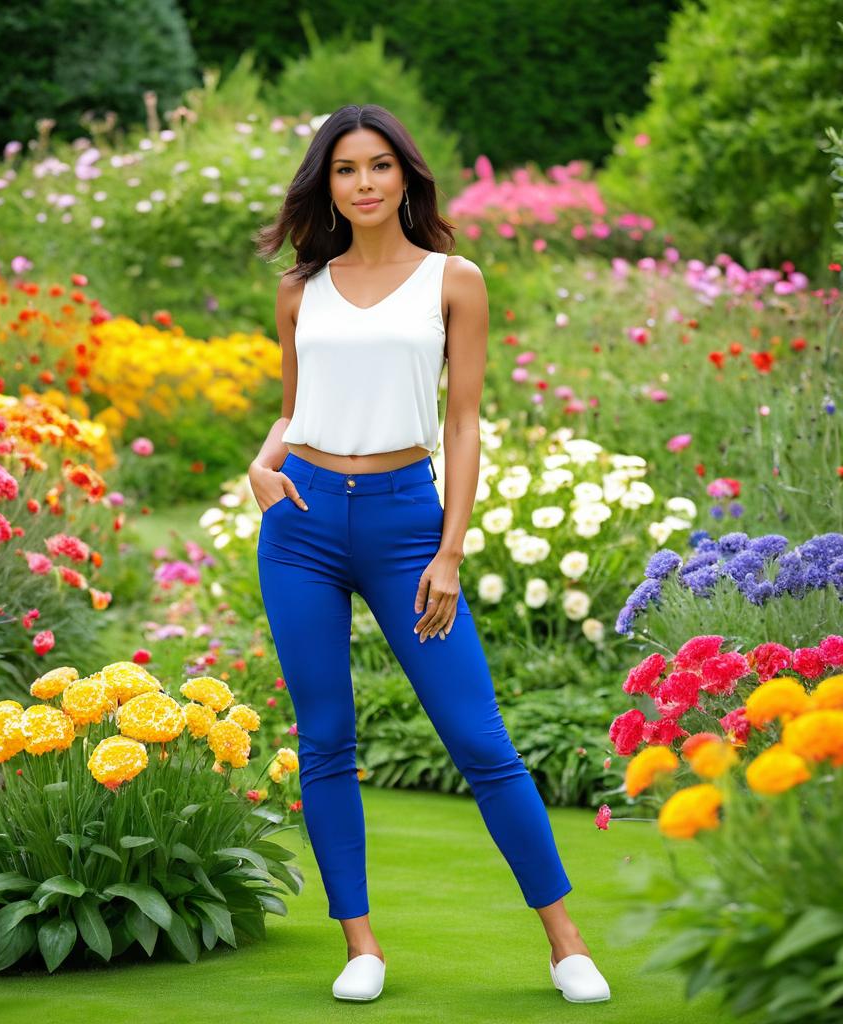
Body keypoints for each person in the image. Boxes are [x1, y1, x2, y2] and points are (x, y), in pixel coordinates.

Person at [249, 103, 610, 1005]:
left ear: (407, 176)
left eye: (378, 166)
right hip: (303, 524)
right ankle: (359, 945)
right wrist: (261, 463)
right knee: (324, 739)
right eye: (344, 170)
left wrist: (449, 550)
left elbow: (462, 420)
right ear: (325, 184)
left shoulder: (454, 279)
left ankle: (566, 945)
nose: (363, 183)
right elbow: (295, 407)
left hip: (411, 523)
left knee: (478, 738)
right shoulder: (302, 289)